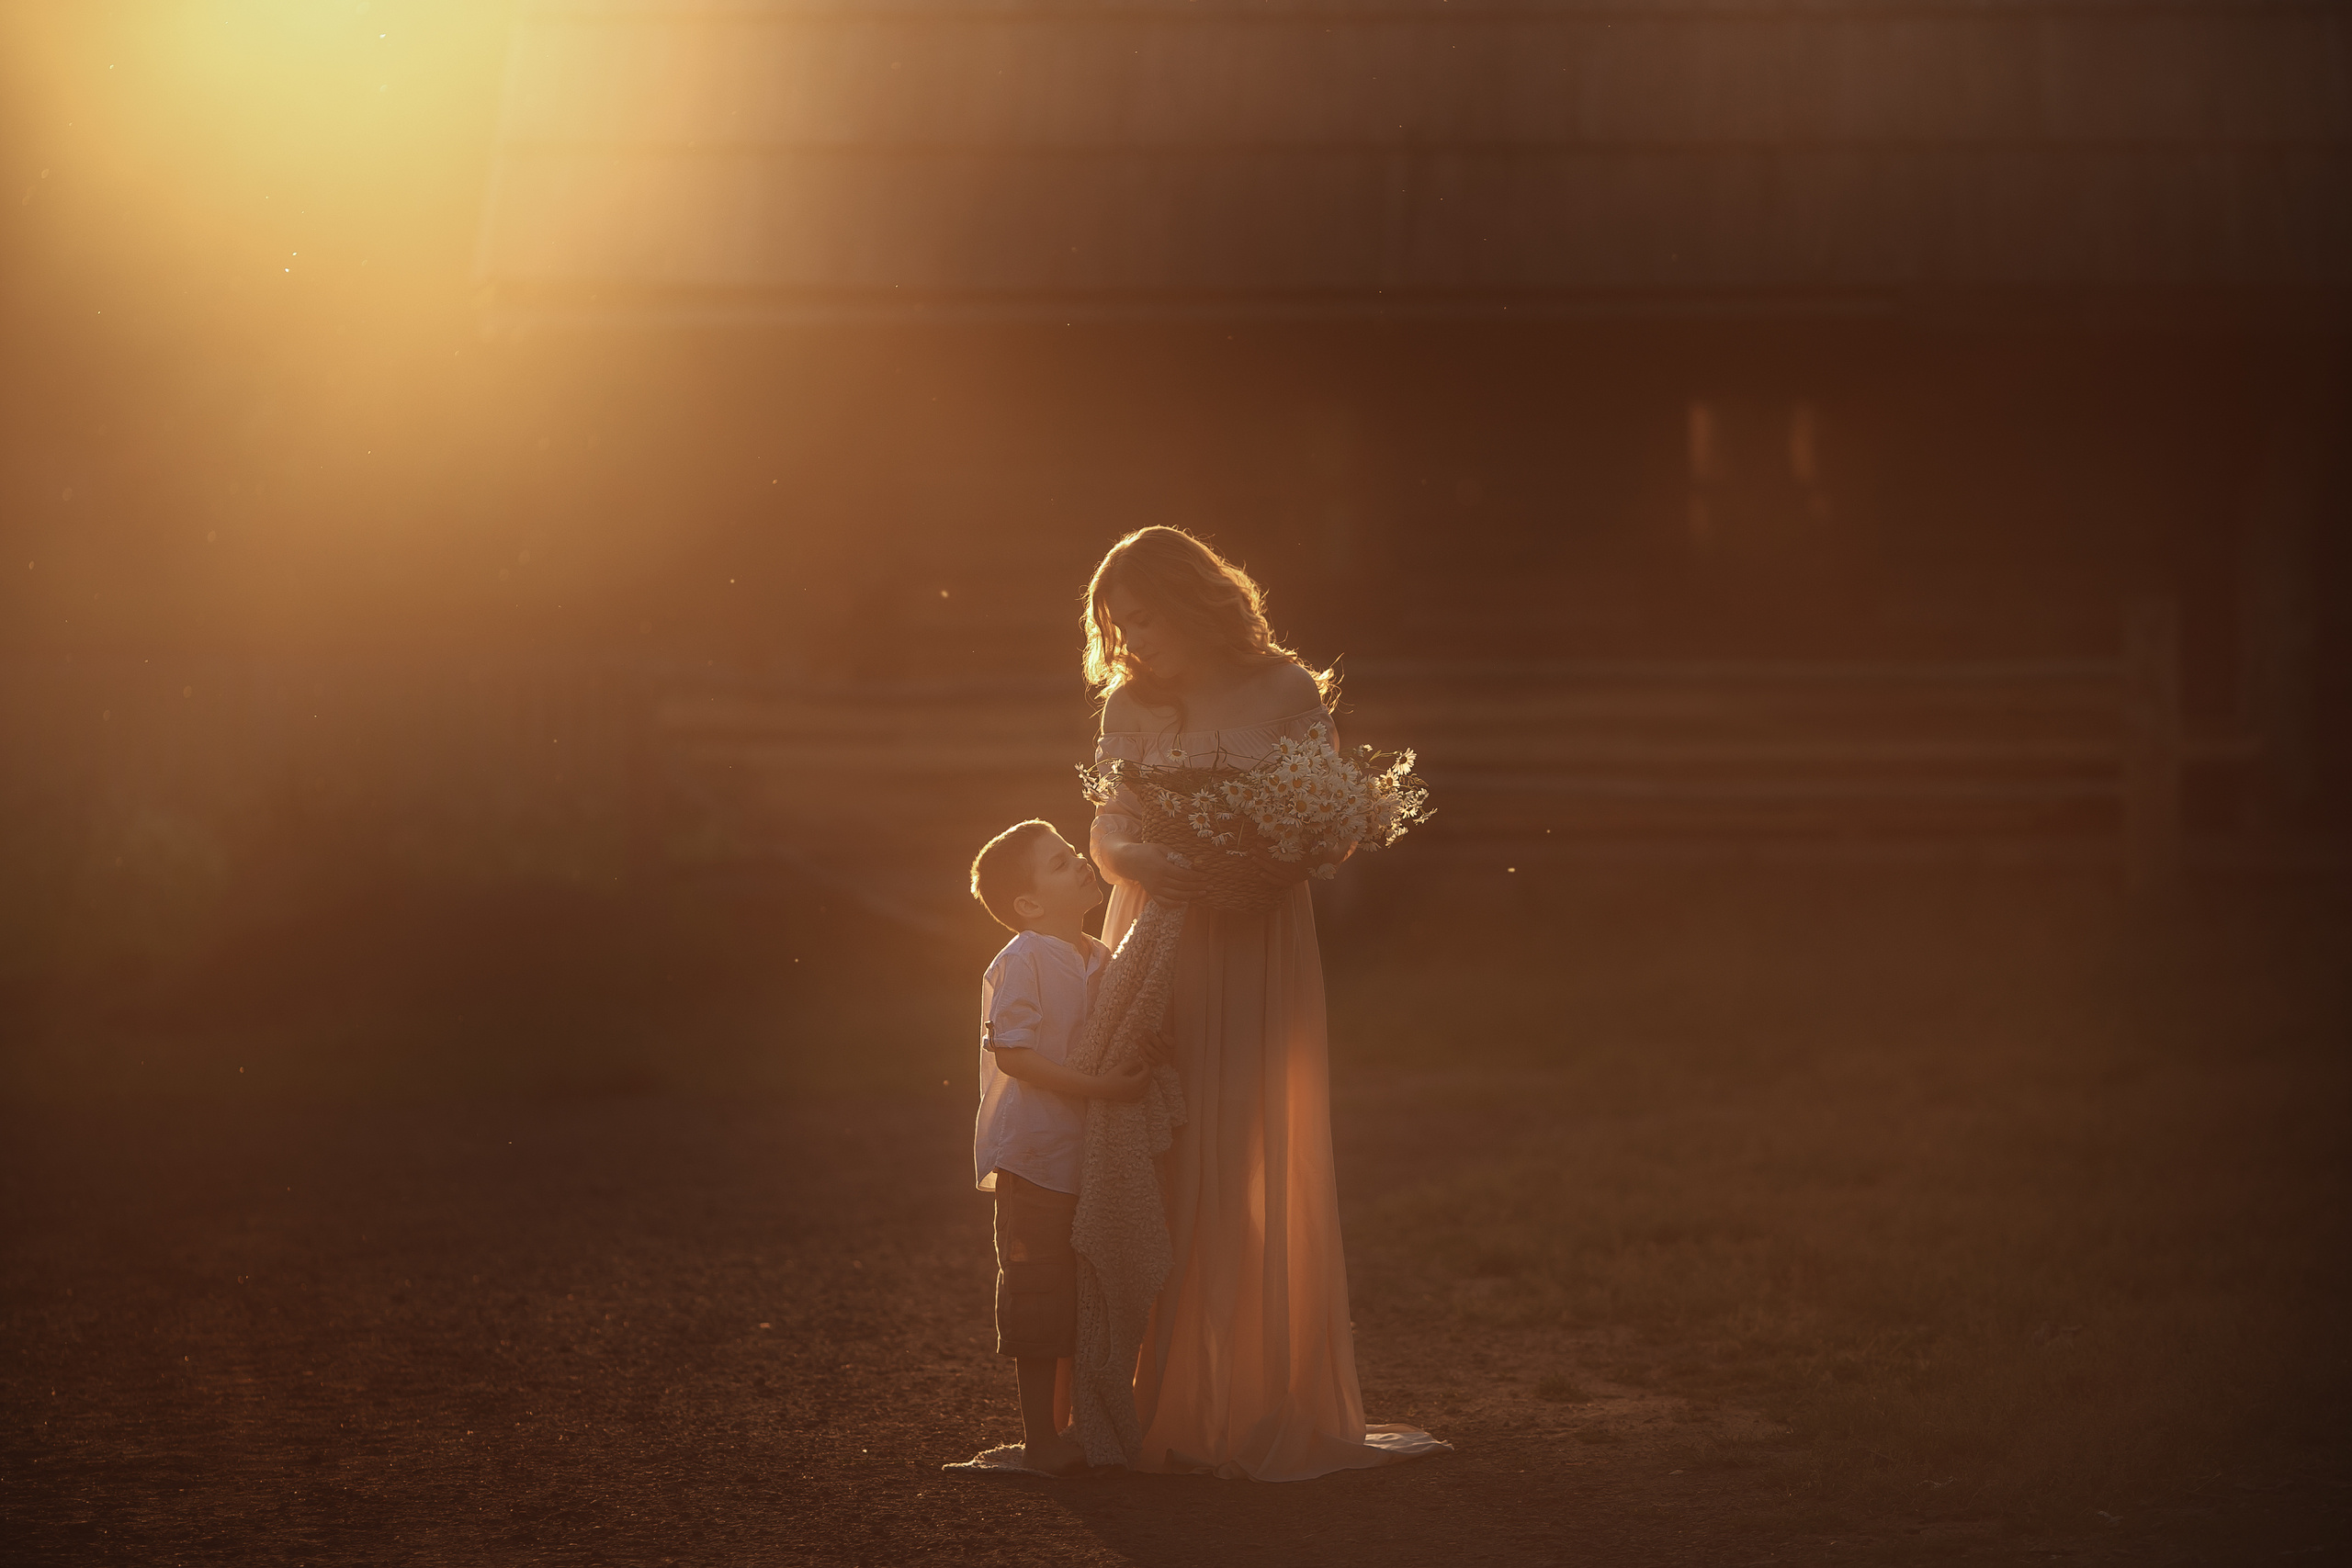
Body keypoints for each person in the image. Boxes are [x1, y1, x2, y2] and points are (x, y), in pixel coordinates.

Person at [1084, 526, 1449, 1480]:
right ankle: (1144, 1399)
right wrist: (1153, 862)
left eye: (1147, 620)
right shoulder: (1129, 703)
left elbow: (1332, 825)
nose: (1134, 642)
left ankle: (1244, 1399)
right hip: (1158, 933)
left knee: (1244, 1151)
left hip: (1255, 945)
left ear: (1196, 602)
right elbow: (1106, 830)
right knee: (1154, 1146)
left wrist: (1263, 860)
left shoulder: (1284, 690)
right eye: (1119, 627)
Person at [963, 818, 1154, 1478]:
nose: (1079, 862)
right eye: (1060, 861)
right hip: (1036, 1158)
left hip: (1088, 1158)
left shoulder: (1101, 956)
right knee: (1039, 1295)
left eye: (1074, 853)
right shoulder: (1024, 956)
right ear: (1028, 904)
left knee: (1088, 1292)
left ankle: (1086, 1422)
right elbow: (1013, 1053)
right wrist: (1098, 1087)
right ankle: (1041, 1438)